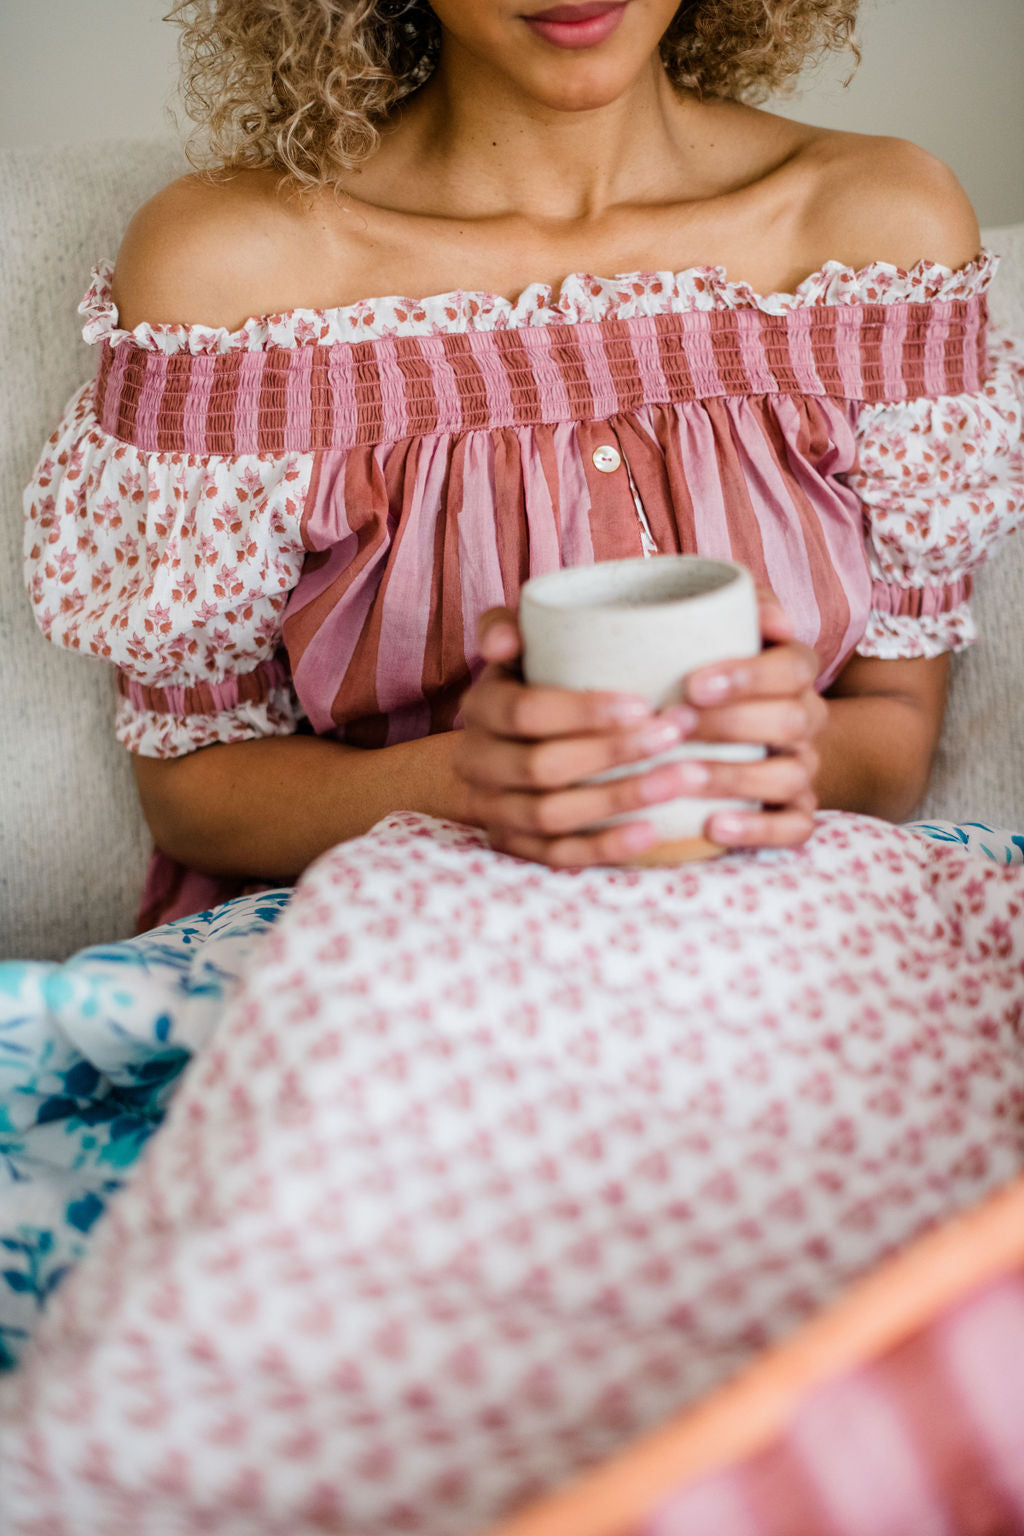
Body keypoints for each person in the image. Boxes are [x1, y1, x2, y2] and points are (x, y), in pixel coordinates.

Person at [3, 2, 1024, 1531]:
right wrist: (461, 786)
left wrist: (783, 749)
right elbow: (192, 788)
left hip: (795, 934)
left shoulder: (875, 226)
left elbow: (888, 742)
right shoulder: (231, 271)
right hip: (385, 951)